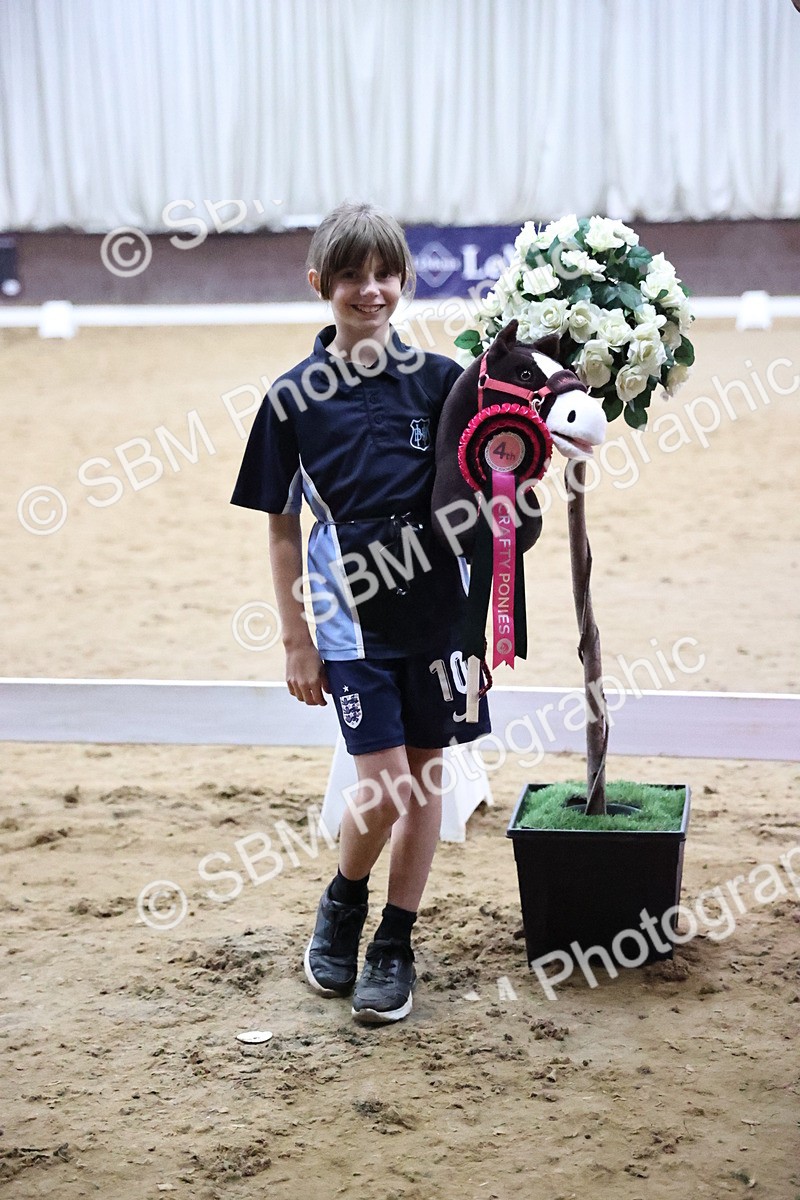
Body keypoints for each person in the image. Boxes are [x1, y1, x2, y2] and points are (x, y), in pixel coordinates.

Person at [231, 200, 490, 1024]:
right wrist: (295, 639)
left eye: (384, 274)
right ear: (320, 284)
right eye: (351, 276)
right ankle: (344, 901)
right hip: (349, 628)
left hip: (440, 623)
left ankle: (395, 942)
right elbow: (280, 531)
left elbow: (492, 488)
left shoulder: (446, 382)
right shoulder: (291, 399)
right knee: (382, 788)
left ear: (404, 280)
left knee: (427, 788)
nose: (370, 291)